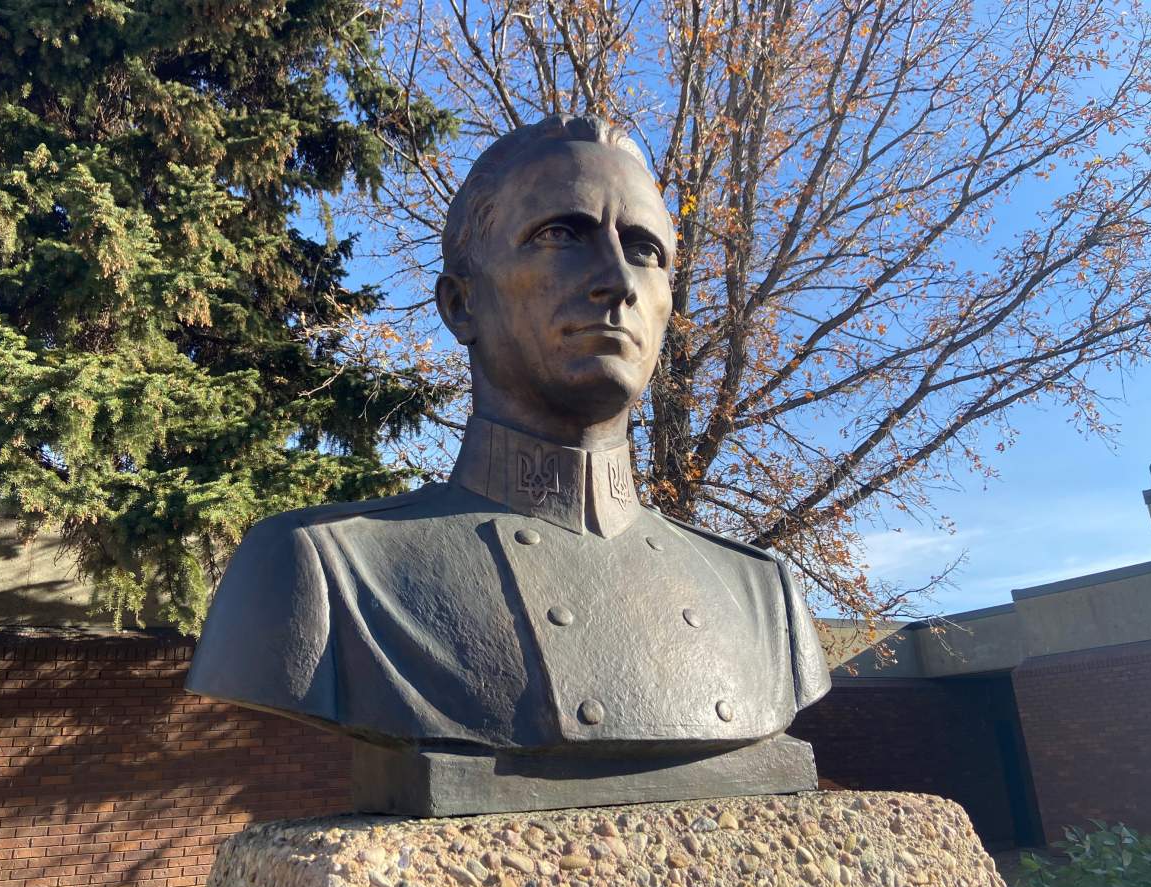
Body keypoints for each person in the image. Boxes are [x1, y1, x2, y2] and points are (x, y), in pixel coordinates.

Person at [186, 116, 830, 756]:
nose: (619, 280)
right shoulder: (327, 572)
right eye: (560, 235)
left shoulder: (762, 597)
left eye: (645, 250)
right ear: (461, 305)